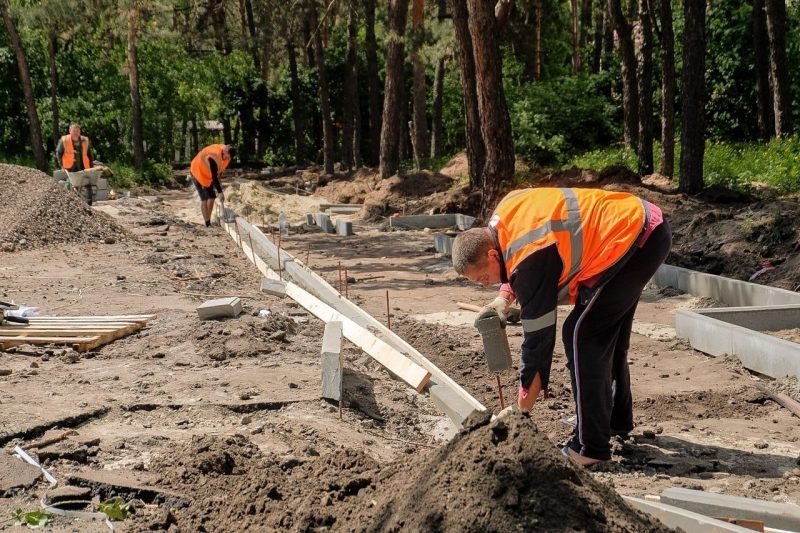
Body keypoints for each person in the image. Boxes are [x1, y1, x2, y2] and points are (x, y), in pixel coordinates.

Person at [451, 187, 671, 466]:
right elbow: (520, 256)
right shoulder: (503, 219)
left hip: (632, 240)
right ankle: (614, 420)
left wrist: (519, 413)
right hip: (639, 226)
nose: (485, 284)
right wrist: (503, 297)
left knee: (583, 335)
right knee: (604, 334)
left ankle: (590, 448)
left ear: (492, 255)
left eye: (483, 277)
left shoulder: (528, 260)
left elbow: (538, 345)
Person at [189, 144, 235, 227]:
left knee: (212, 197)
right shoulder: (214, 156)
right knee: (204, 199)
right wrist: (220, 192)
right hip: (197, 172)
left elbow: (219, 170)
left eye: (229, 157)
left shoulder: (227, 156)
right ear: (225, 150)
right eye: (227, 156)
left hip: (207, 175)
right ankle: (207, 224)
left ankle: (208, 221)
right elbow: (214, 176)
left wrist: (219, 180)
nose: (227, 158)